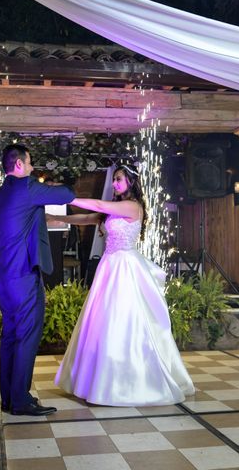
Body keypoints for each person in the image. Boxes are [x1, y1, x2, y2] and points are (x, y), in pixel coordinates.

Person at [49, 164, 195, 406]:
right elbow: (87, 217)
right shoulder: (113, 209)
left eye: (119, 180)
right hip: (109, 266)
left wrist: (66, 195)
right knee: (103, 320)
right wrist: (57, 217)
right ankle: (100, 379)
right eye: (114, 179)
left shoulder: (132, 206)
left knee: (124, 320)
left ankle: (129, 380)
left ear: (131, 183)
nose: (115, 184)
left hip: (125, 268)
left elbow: (97, 205)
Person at [0, 144, 75, 416]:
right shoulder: (26, 189)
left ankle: (9, 399)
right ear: (17, 166)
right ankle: (22, 400)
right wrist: (53, 184)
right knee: (26, 337)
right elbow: (67, 194)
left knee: (11, 337)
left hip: (3, 277)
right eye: (29, 164)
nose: (32, 169)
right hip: (24, 275)